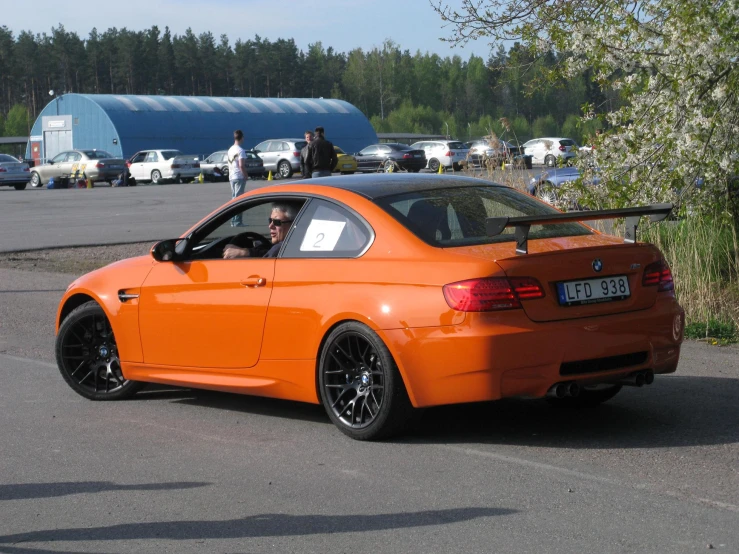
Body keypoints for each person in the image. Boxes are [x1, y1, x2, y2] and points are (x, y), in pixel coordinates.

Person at [222, 202, 300, 259]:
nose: (270, 226)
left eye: (277, 222)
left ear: (294, 224)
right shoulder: (299, 245)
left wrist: (242, 253)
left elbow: (263, 267)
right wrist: (248, 252)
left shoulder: (281, 249)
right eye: (270, 220)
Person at [227, 130, 250, 226]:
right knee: (239, 200)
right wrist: (245, 175)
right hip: (239, 176)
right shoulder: (241, 150)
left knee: (234, 198)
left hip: (232, 176)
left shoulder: (230, 149)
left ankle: (233, 221)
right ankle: (237, 222)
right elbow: (241, 165)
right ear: (241, 138)